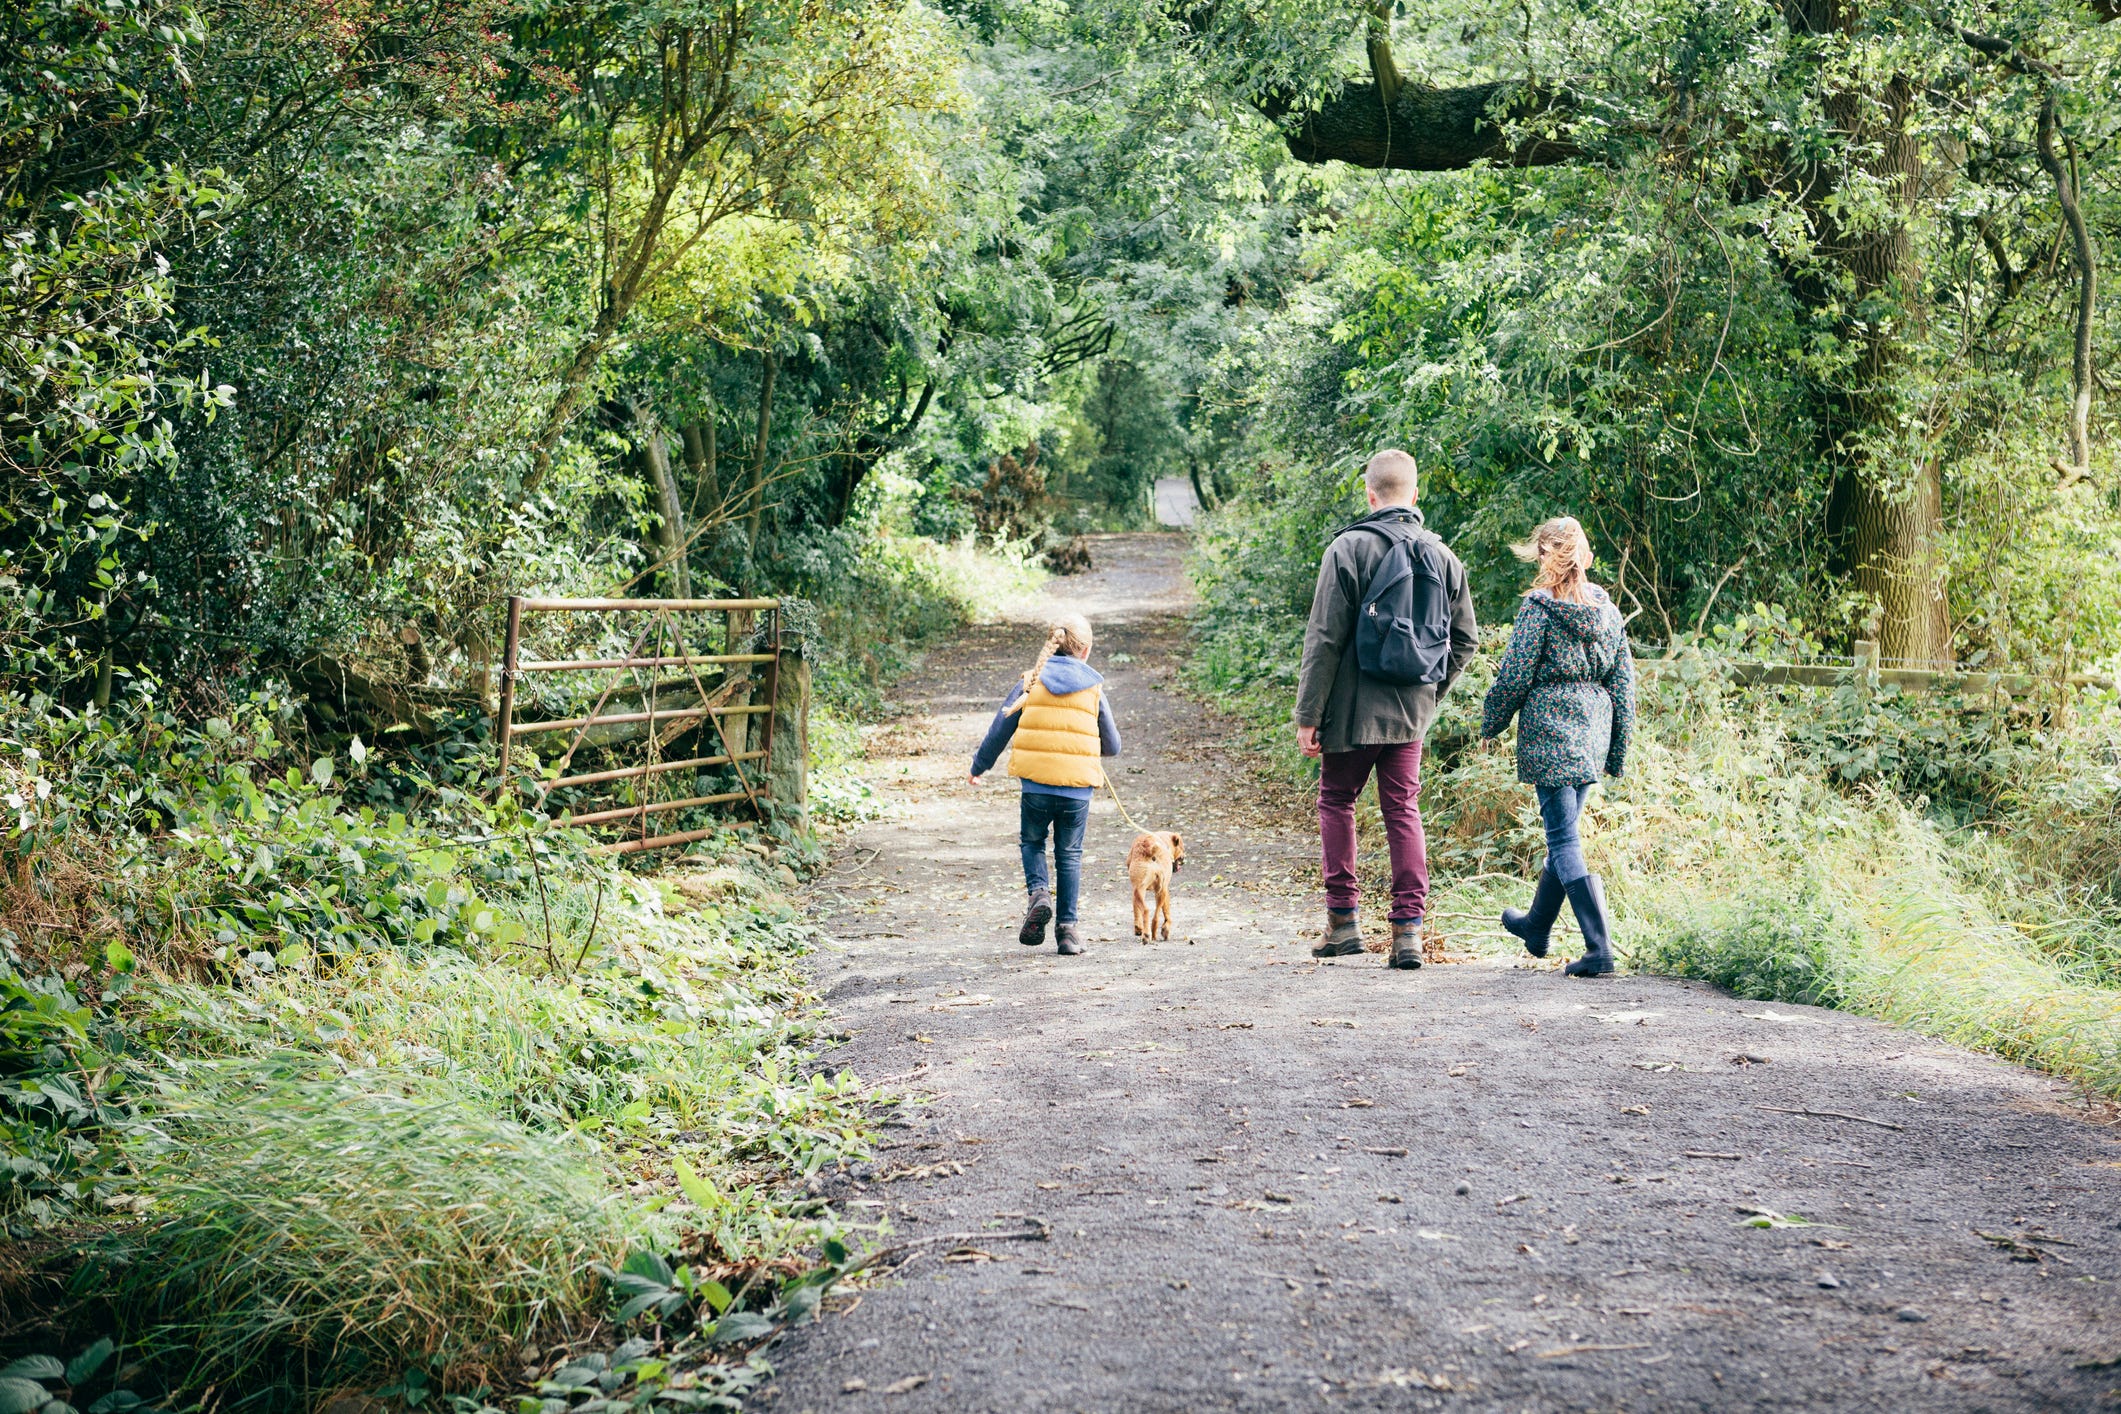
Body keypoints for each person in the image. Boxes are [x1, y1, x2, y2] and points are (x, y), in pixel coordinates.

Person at [1292, 449, 1479, 969]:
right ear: (1415, 495)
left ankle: (1344, 922)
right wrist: (1428, 696)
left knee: (1336, 801)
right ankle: (1408, 936)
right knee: (1403, 810)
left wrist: (1309, 714)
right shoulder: (1443, 557)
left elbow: (1324, 638)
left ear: (1370, 495)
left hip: (1350, 713)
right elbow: (1465, 640)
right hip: (1409, 715)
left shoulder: (1348, 548)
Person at [1479, 516, 1636, 977]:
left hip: (1551, 729)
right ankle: (1536, 926)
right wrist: (1618, 747)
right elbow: (1623, 685)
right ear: (1583, 556)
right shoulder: (1608, 609)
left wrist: (1492, 722)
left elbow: (1514, 674)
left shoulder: (1539, 609)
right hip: (1593, 731)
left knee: (1563, 838)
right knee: (1563, 835)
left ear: (1548, 556)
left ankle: (1599, 948)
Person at [968, 613, 1121, 956]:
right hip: (1076, 791)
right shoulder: (1093, 687)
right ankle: (1067, 932)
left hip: (1036, 787)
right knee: (1069, 855)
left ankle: (1038, 893)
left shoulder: (1031, 680)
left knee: (1032, 841)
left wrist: (979, 767)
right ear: (1086, 650)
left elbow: (999, 729)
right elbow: (1112, 745)